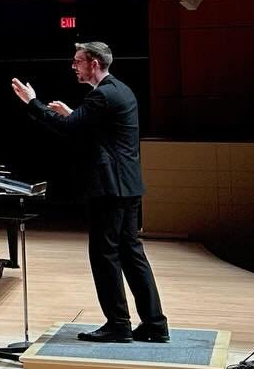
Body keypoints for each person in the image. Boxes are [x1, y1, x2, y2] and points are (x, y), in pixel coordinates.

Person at [12, 42, 169, 344]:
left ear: (94, 63)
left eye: (78, 61)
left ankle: (118, 325)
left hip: (109, 188)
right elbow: (100, 132)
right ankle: (155, 324)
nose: (74, 66)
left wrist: (33, 103)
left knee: (104, 255)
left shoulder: (102, 95)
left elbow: (67, 128)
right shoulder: (121, 90)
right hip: (127, 185)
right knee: (131, 254)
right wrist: (73, 114)